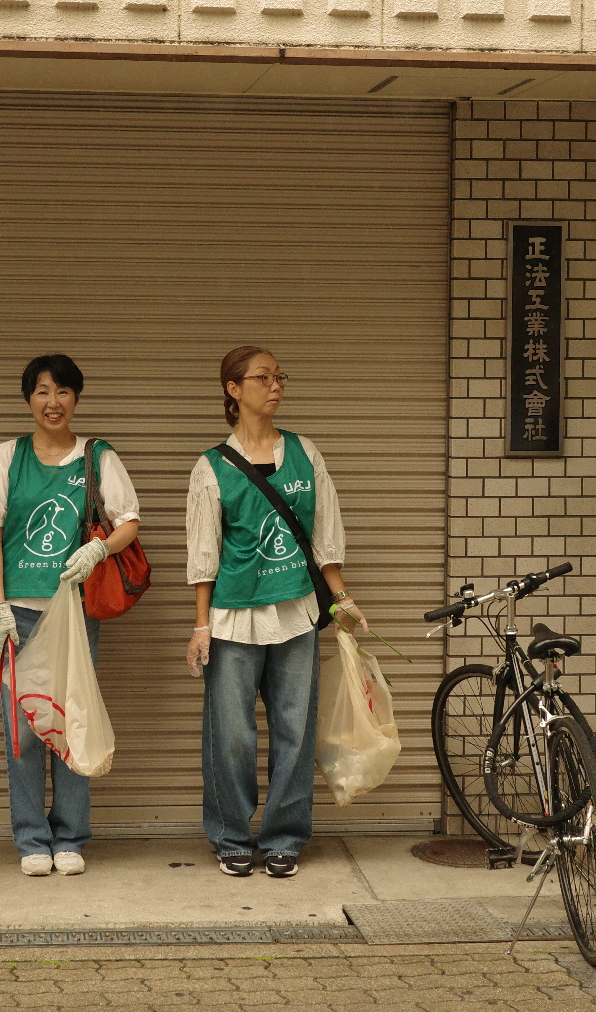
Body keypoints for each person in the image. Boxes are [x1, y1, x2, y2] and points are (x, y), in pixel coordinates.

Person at [186, 345, 366, 879]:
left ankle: (285, 836)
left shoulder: (306, 454)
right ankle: (231, 835)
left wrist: (341, 596)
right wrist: (200, 626)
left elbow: (324, 532)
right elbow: (203, 553)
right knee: (231, 732)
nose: (275, 385)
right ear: (233, 389)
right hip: (233, 618)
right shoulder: (211, 465)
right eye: (262, 377)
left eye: (280, 375)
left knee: (295, 727)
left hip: (297, 612)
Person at [0, 354, 141, 877]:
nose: (54, 402)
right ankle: (31, 839)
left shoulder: (97, 456)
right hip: (19, 612)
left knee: (72, 720)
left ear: (77, 399)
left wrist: (100, 550)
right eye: (43, 391)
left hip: (73, 613)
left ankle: (70, 836)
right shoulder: (6, 457)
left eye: (64, 392)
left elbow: (129, 521)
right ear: (29, 399)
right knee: (22, 728)